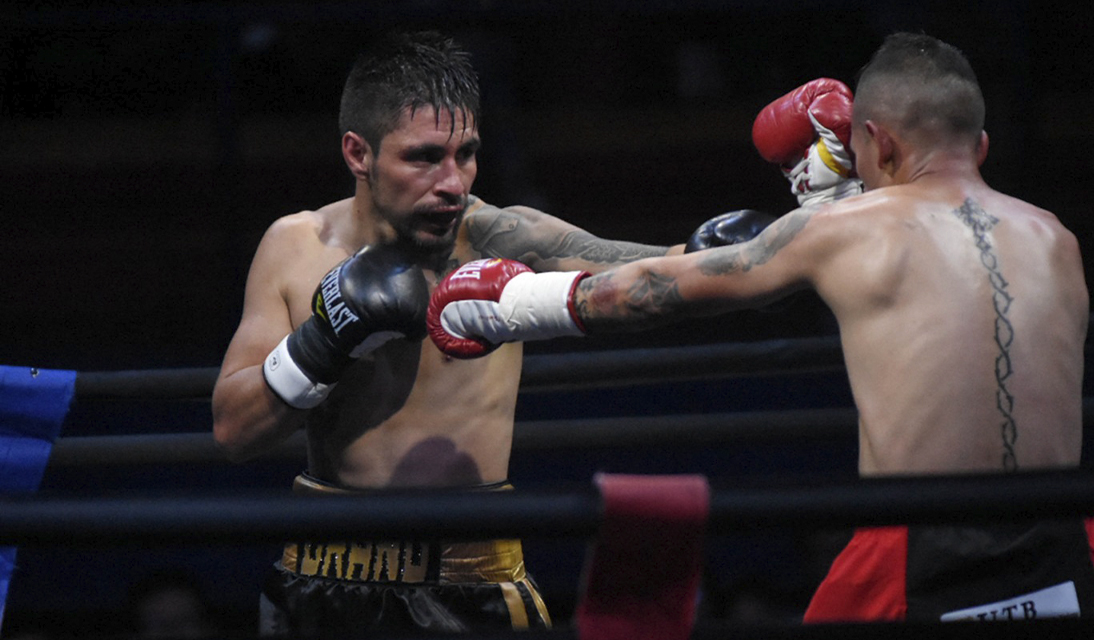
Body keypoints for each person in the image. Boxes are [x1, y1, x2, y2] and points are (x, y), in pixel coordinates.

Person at [429, 32, 1094, 622]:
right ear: (982, 143)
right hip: (1070, 538)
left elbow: (651, 295)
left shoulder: (842, 230)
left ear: (874, 141)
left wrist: (514, 303)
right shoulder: (1056, 238)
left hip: (919, 548)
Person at [210, 29, 772, 637]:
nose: (453, 182)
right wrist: (322, 341)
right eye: (424, 157)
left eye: (467, 154)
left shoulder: (504, 240)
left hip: (468, 583)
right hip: (320, 572)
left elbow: (653, 276)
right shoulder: (295, 247)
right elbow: (233, 431)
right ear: (358, 153)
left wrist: (744, 257)